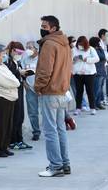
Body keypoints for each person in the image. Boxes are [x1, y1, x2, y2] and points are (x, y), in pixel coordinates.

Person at [34, 15, 72, 177]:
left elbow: (45, 70)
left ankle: (55, 166)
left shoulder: (49, 44)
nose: (42, 28)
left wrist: (38, 86)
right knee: (60, 129)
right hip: (62, 92)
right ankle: (65, 163)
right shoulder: (65, 44)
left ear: (53, 28)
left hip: (50, 92)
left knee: (50, 131)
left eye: (45, 26)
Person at [0, 44, 20, 157]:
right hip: (1, 98)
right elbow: (11, 81)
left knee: (8, 124)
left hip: (9, 97)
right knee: (0, 125)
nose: (5, 55)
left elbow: (13, 78)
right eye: (3, 53)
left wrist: (15, 82)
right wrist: (15, 83)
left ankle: (4, 146)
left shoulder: (3, 66)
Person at [5, 41, 32, 151]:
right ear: (12, 50)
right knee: (15, 117)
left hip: (20, 89)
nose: (19, 55)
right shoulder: (8, 62)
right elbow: (9, 74)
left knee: (20, 116)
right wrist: (19, 73)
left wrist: (24, 75)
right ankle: (13, 141)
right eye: (17, 52)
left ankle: (19, 140)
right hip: (12, 91)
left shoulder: (17, 61)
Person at [72, 36, 100, 115]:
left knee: (89, 90)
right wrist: (74, 60)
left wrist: (86, 59)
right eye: (79, 44)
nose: (80, 46)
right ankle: (78, 108)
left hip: (89, 73)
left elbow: (97, 59)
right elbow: (69, 60)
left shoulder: (91, 49)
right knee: (79, 91)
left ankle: (92, 108)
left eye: (82, 44)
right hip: (78, 73)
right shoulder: (74, 50)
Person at [22, 41, 42, 140]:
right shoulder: (25, 59)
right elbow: (22, 72)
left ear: (36, 49)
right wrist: (24, 83)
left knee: (45, 111)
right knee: (32, 112)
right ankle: (36, 132)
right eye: (27, 47)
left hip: (42, 89)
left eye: (30, 47)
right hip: (30, 89)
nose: (28, 50)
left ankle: (50, 130)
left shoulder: (42, 59)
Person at [90, 37, 107, 110]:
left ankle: (98, 103)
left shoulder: (100, 49)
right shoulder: (92, 50)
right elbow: (100, 58)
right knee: (96, 89)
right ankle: (93, 104)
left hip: (102, 71)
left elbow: (104, 57)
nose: (99, 43)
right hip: (97, 72)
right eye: (98, 42)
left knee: (100, 89)